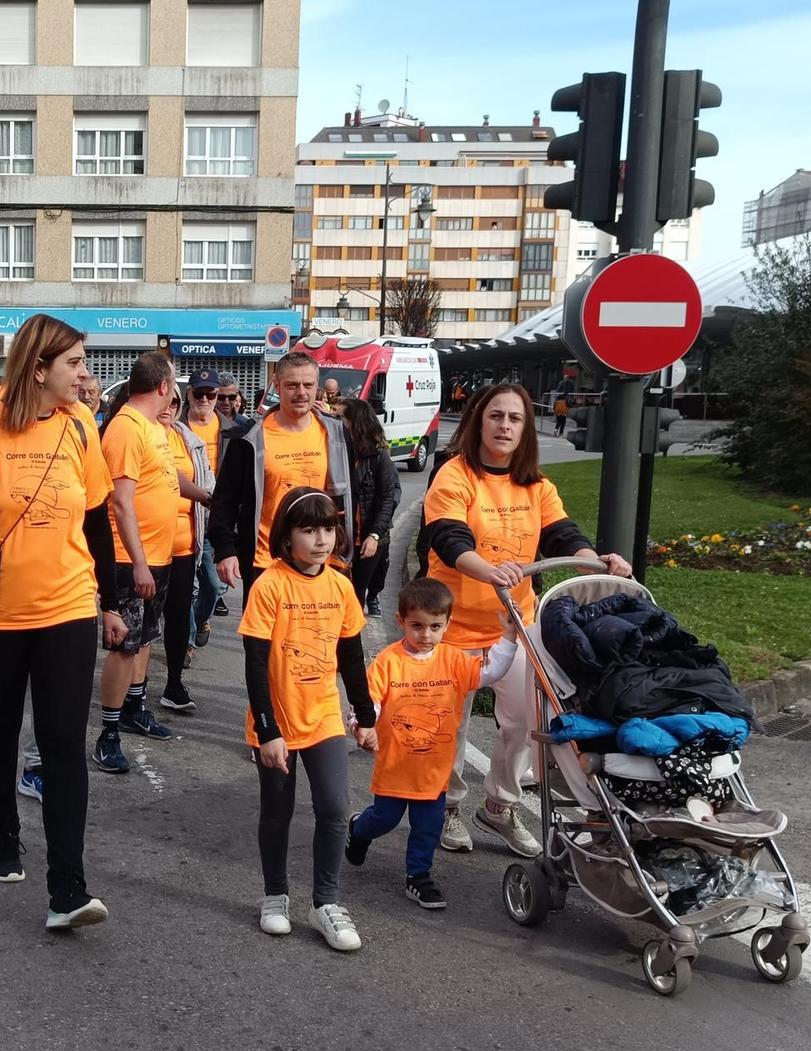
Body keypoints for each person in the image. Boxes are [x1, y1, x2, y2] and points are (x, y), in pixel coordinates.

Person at [0, 313, 121, 932]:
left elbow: (96, 518)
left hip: (67, 606)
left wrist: (113, 600)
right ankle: (3, 834)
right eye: (74, 363)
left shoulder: (80, 428)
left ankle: (67, 889)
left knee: (65, 744)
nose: (85, 374)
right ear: (39, 369)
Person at [422, 383, 628, 854]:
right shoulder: (455, 477)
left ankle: (499, 805)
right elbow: (449, 539)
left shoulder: (537, 486)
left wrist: (596, 561)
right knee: (446, 724)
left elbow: (562, 535)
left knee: (526, 720)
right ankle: (447, 805)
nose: (504, 426)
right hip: (449, 626)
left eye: (515, 419)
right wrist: (488, 569)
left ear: (525, 430)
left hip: (514, 624)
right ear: (479, 421)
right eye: (496, 416)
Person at [238, 488, 378, 953]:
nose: (321, 539)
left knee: (335, 809)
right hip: (275, 721)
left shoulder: (340, 585)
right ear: (287, 536)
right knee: (277, 811)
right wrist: (268, 730)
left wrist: (366, 716)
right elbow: (255, 664)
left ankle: (326, 903)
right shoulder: (270, 584)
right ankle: (275, 895)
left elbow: (352, 657)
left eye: (328, 529)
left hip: (323, 718)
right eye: (309, 529)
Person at [344, 579, 518, 909]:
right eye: (417, 626)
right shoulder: (389, 661)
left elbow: (490, 672)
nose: (426, 635)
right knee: (385, 819)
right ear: (401, 622)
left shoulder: (454, 660)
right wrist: (363, 725)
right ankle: (359, 829)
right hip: (396, 765)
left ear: (448, 624)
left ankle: (418, 876)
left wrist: (509, 636)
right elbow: (371, 700)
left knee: (429, 825)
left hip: (434, 769)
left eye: (435, 626)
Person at [208, 351, 354, 612]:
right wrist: (225, 550)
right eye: (292, 385)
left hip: (320, 561)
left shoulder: (336, 433)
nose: (301, 392)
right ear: (277, 385)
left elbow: (352, 494)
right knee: (261, 649)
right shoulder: (249, 437)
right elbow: (225, 500)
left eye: (308, 385)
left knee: (313, 644)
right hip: (266, 561)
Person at [92, 352, 179, 773]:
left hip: (158, 554)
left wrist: (206, 497)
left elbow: (164, 478)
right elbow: (121, 503)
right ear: (163, 386)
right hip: (130, 559)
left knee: (144, 639)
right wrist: (140, 563)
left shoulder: (151, 427)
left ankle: (134, 707)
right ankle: (107, 733)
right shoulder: (126, 428)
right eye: (174, 384)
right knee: (123, 645)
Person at [158, 392, 213, 716]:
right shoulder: (142, 435)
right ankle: (130, 692)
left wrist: (212, 499)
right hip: (147, 547)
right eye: (163, 402)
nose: (168, 409)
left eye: (174, 404)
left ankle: (174, 683)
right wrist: (206, 496)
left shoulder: (187, 440)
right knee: (146, 623)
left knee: (179, 616)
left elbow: (206, 477)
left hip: (183, 545)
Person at [341, 396, 401, 618]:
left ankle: (372, 598)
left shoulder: (378, 457)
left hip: (370, 536)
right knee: (343, 592)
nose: (337, 423)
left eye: (340, 418)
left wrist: (375, 535)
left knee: (363, 586)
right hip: (342, 538)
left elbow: (388, 498)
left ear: (354, 422)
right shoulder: (340, 453)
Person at [184, 371, 230, 644]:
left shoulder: (232, 429)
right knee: (186, 587)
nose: (204, 399)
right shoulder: (176, 426)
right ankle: (187, 641)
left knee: (213, 586)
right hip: (185, 516)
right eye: (198, 393)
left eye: (210, 394)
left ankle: (201, 619)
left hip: (216, 517)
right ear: (189, 394)